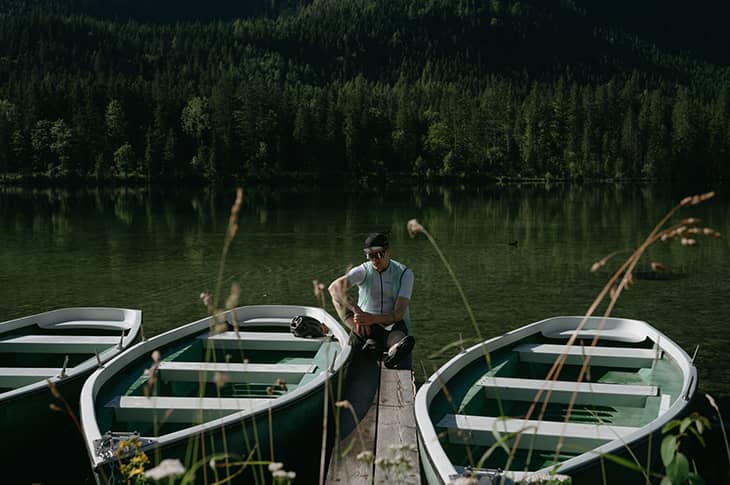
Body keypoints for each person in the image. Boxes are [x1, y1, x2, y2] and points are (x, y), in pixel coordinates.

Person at [328, 232, 415, 369]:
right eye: (370, 255)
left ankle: (392, 352)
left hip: (392, 325)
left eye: (379, 254)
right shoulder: (364, 270)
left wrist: (373, 318)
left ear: (388, 251)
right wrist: (356, 310)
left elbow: (398, 313)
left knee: (397, 336)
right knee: (337, 299)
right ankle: (370, 341)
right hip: (365, 326)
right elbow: (333, 288)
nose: (375, 260)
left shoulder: (405, 274)